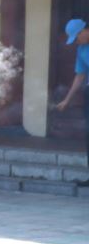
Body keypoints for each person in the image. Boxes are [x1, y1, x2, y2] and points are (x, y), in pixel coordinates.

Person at [54, 18, 89, 181]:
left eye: (77, 37)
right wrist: (67, 100)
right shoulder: (82, 50)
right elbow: (80, 76)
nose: (77, 41)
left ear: (84, 31)